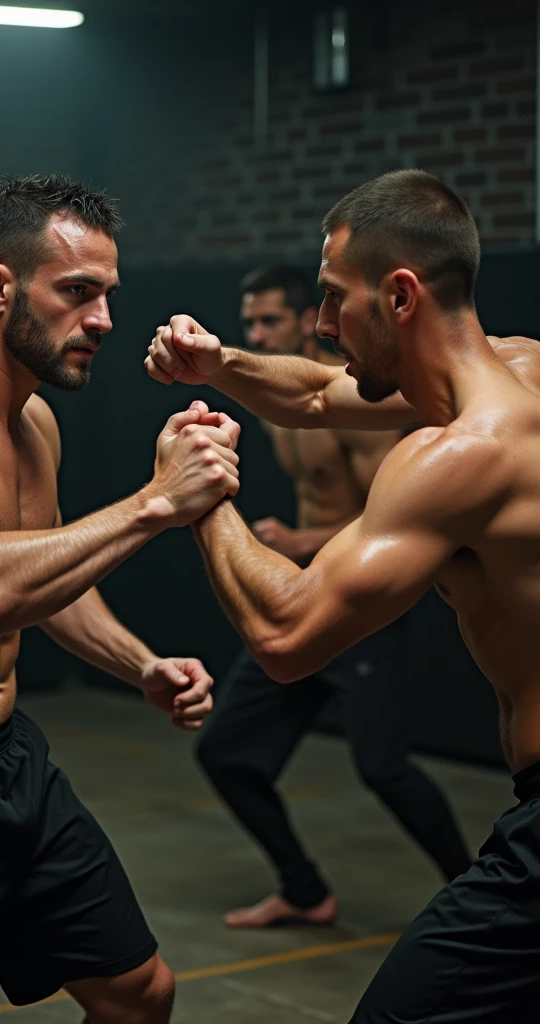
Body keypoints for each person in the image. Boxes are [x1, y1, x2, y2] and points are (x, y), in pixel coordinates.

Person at [145, 169, 540, 1022]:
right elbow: (322, 393)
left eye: (331, 299)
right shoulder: (523, 370)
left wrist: (199, 493)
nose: (321, 326)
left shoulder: (461, 455)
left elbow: (286, 635)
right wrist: (220, 365)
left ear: (399, 297)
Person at [0, 173, 241, 1024]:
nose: (102, 320)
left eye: (106, 295)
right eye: (76, 293)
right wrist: (154, 505)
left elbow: (43, 581)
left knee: (141, 994)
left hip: (10, 767)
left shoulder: (35, 424)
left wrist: (140, 665)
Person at [195, 264, 471, 929]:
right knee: (224, 751)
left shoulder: (356, 403)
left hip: (362, 606)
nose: (258, 332)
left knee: (381, 767)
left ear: (304, 320)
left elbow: (395, 517)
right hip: (303, 595)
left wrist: (296, 536)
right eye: (250, 322)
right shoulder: (276, 408)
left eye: (270, 321)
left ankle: (483, 894)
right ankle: (304, 888)